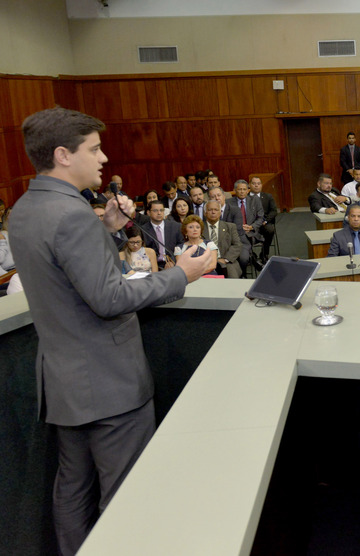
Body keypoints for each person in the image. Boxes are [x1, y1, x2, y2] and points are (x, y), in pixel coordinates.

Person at [8, 107, 213, 556]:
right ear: (63, 155)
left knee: (72, 491)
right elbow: (109, 298)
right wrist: (181, 274)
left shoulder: (25, 208)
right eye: (95, 149)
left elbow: (64, 271)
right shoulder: (72, 215)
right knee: (127, 497)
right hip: (109, 383)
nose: (103, 159)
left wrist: (107, 230)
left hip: (64, 381)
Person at [226, 179, 265, 274]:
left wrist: (251, 227)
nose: (242, 192)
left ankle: (250, 258)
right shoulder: (229, 202)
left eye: (244, 189)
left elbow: (260, 218)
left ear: (248, 190)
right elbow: (227, 220)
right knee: (242, 247)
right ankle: (252, 257)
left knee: (244, 243)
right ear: (235, 190)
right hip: (236, 233)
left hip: (251, 232)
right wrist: (238, 228)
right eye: (240, 189)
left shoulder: (255, 200)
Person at [203, 200, 242, 278]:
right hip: (204, 262)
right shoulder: (199, 228)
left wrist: (225, 259)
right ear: (205, 213)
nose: (213, 212)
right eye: (210, 210)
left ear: (220, 212)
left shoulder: (230, 227)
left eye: (216, 210)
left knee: (232, 276)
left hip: (227, 261)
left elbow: (237, 245)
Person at [142, 199, 183, 269]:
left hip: (172, 264)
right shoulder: (143, 230)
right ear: (148, 212)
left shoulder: (175, 226)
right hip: (151, 265)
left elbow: (181, 245)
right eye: (155, 211)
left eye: (161, 210)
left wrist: (173, 261)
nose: (159, 213)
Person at [249, 176, 278, 261]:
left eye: (258, 184)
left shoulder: (268, 196)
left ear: (261, 185)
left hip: (264, 223)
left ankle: (264, 253)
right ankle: (250, 255)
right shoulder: (245, 197)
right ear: (249, 185)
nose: (256, 186)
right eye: (254, 183)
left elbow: (274, 211)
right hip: (249, 224)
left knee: (270, 230)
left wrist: (266, 221)